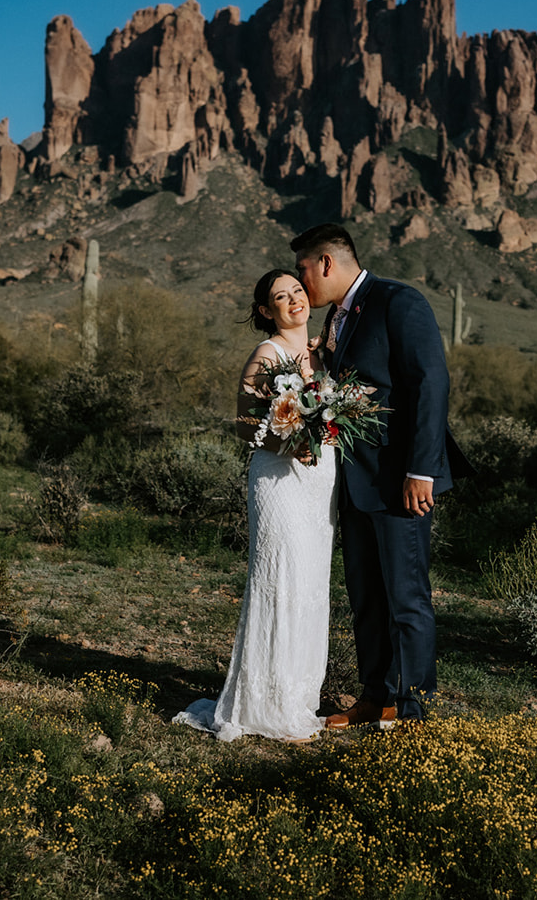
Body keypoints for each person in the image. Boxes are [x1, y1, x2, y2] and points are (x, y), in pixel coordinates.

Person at [292, 223, 470, 729]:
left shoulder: (398, 301)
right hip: (353, 483)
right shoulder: (336, 318)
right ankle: (376, 696)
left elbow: (429, 383)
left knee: (406, 598)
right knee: (366, 595)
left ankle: (416, 710)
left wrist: (422, 471)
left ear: (326, 263)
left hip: (400, 482)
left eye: (304, 269)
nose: (301, 281)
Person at [172, 269, 336, 742]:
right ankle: (261, 703)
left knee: (309, 584)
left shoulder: (320, 355)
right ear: (266, 312)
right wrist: (290, 442)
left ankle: (297, 698)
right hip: (280, 481)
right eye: (281, 297)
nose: (294, 301)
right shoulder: (269, 354)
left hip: (318, 483)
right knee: (280, 580)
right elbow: (245, 423)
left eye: (298, 291)